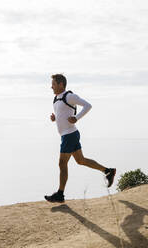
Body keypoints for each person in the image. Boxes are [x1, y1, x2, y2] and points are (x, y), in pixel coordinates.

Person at [45, 74, 116, 203]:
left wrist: (77, 118)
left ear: (61, 84)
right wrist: (55, 118)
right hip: (66, 135)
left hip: (70, 135)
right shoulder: (56, 99)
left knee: (62, 163)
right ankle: (108, 171)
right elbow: (62, 114)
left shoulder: (69, 96)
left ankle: (60, 194)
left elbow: (88, 105)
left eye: (54, 84)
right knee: (81, 160)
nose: (51, 87)